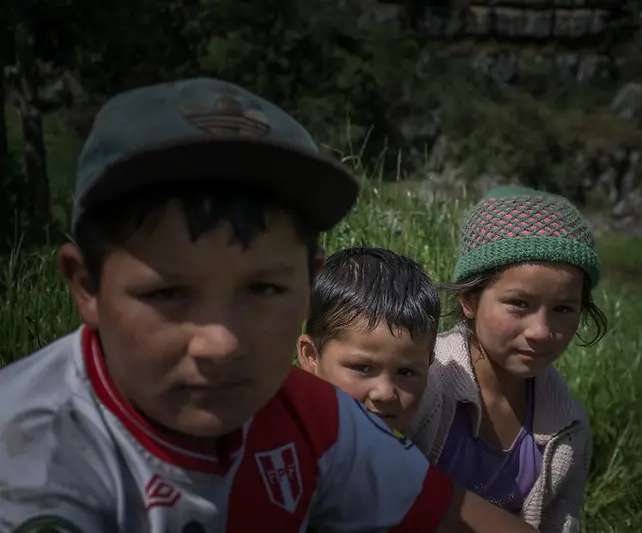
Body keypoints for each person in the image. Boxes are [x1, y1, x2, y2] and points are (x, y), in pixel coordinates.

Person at [0, 78, 541, 533]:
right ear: (85, 287)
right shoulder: (30, 457)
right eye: (166, 293)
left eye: (263, 290)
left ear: (309, 284)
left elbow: (457, 517)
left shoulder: (314, 415)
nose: (221, 342)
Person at [407, 186, 608, 532]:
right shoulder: (419, 383)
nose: (541, 331)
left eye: (563, 309)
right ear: (469, 299)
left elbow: (562, 521)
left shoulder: (568, 427)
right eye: (519, 304)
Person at [297, 246, 438, 434]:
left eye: (405, 372)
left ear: (429, 364)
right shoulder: (277, 448)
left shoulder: (409, 458)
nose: (385, 393)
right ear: (311, 356)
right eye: (362, 368)